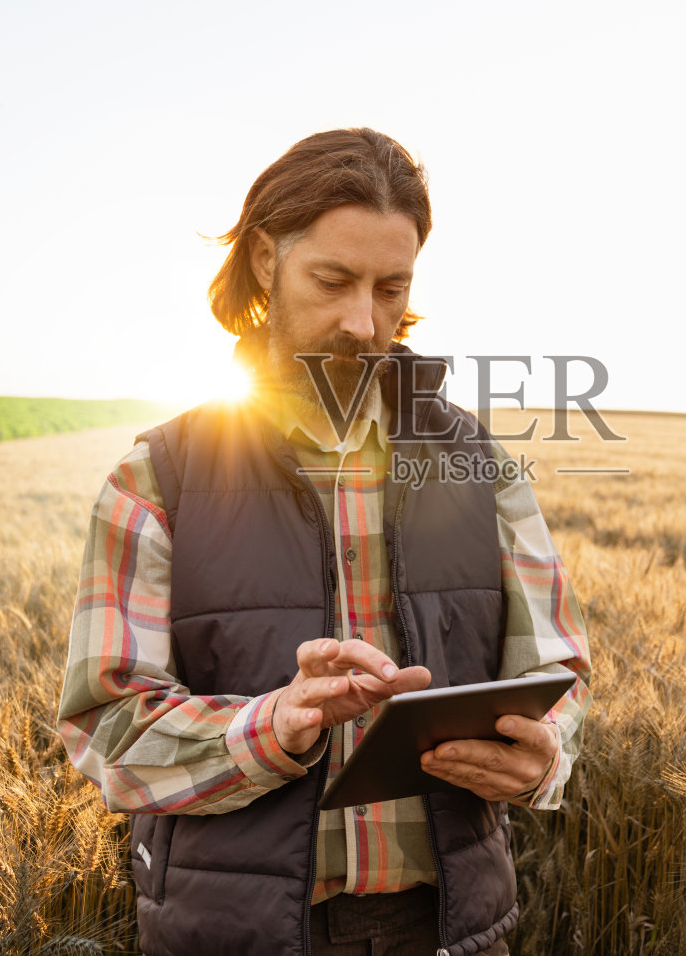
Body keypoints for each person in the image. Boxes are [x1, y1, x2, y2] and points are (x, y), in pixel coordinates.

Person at [56, 127, 592, 956]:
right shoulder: (156, 476)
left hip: (450, 929)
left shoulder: (480, 463)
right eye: (333, 280)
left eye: (391, 287)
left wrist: (543, 760)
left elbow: (558, 677)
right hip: (236, 935)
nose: (363, 320)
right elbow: (107, 727)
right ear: (266, 261)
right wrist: (271, 724)